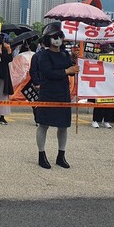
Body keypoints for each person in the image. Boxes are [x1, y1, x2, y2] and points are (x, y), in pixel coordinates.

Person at [34, 23, 78, 169]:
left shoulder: (65, 54)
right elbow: (48, 72)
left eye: (60, 36)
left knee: (63, 126)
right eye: (54, 37)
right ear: (48, 39)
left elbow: (71, 71)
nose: (57, 39)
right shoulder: (43, 55)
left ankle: (61, 155)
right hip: (48, 93)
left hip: (63, 93)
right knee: (43, 124)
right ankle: (42, 155)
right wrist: (67, 70)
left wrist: (74, 60)